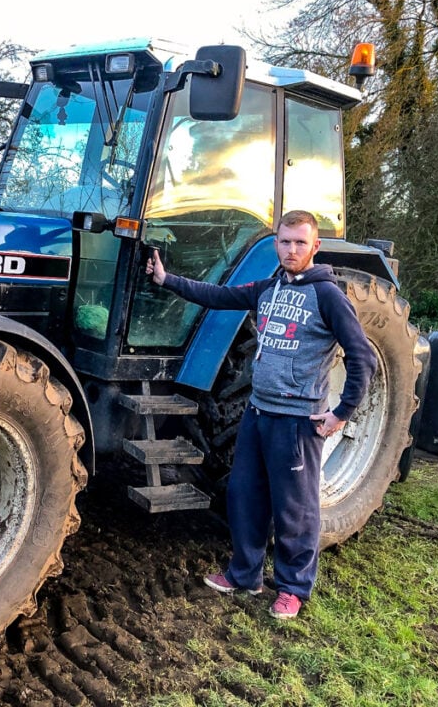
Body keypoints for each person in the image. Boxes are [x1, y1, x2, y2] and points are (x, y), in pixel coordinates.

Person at [145, 210, 376, 619]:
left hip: (297, 420)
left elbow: (361, 357)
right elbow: (217, 296)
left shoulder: (328, 296)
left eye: (300, 243)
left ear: (315, 246)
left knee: (295, 509)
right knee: (245, 497)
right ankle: (244, 575)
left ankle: (293, 588)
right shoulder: (267, 289)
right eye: (285, 241)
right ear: (277, 244)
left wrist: (342, 412)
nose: (291, 249)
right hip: (258, 412)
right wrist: (168, 281)